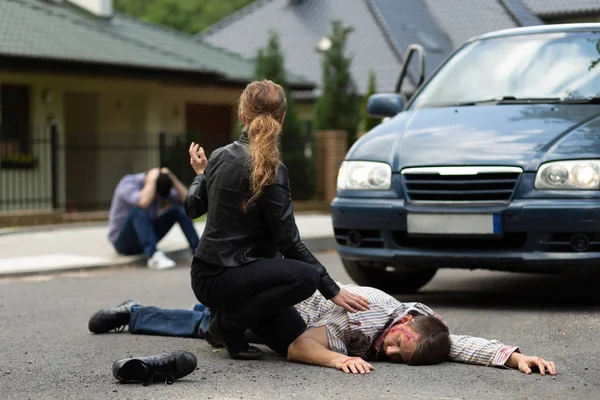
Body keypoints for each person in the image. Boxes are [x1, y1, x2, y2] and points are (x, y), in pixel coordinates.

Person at [183, 79, 369, 360]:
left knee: (291, 340)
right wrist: (331, 289)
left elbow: (191, 208)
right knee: (306, 277)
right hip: (226, 281)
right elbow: (289, 243)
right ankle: (229, 323)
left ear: (242, 116)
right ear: (281, 119)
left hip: (208, 277)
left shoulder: (220, 156)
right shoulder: (272, 169)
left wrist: (200, 174)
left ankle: (220, 325)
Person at [87, 282, 557, 377]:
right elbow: (300, 347)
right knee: (212, 325)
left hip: (281, 321)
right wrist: (337, 360)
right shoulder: (369, 314)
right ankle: (135, 311)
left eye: (399, 358)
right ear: (405, 322)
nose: (391, 354)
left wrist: (516, 357)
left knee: (205, 323)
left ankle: (136, 312)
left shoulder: (424, 329)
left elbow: (460, 345)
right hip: (281, 307)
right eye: (399, 346)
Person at [108, 167, 200, 270]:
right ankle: (154, 256)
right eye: (155, 194)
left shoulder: (160, 188)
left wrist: (173, 178)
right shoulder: (128, 183)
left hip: (147, 235)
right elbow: (143, 203)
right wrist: (151, 180)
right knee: (138, 211)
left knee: (178, 211)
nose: (156, 197)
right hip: (124, 242)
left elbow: (188, 202)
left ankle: (199, 252)